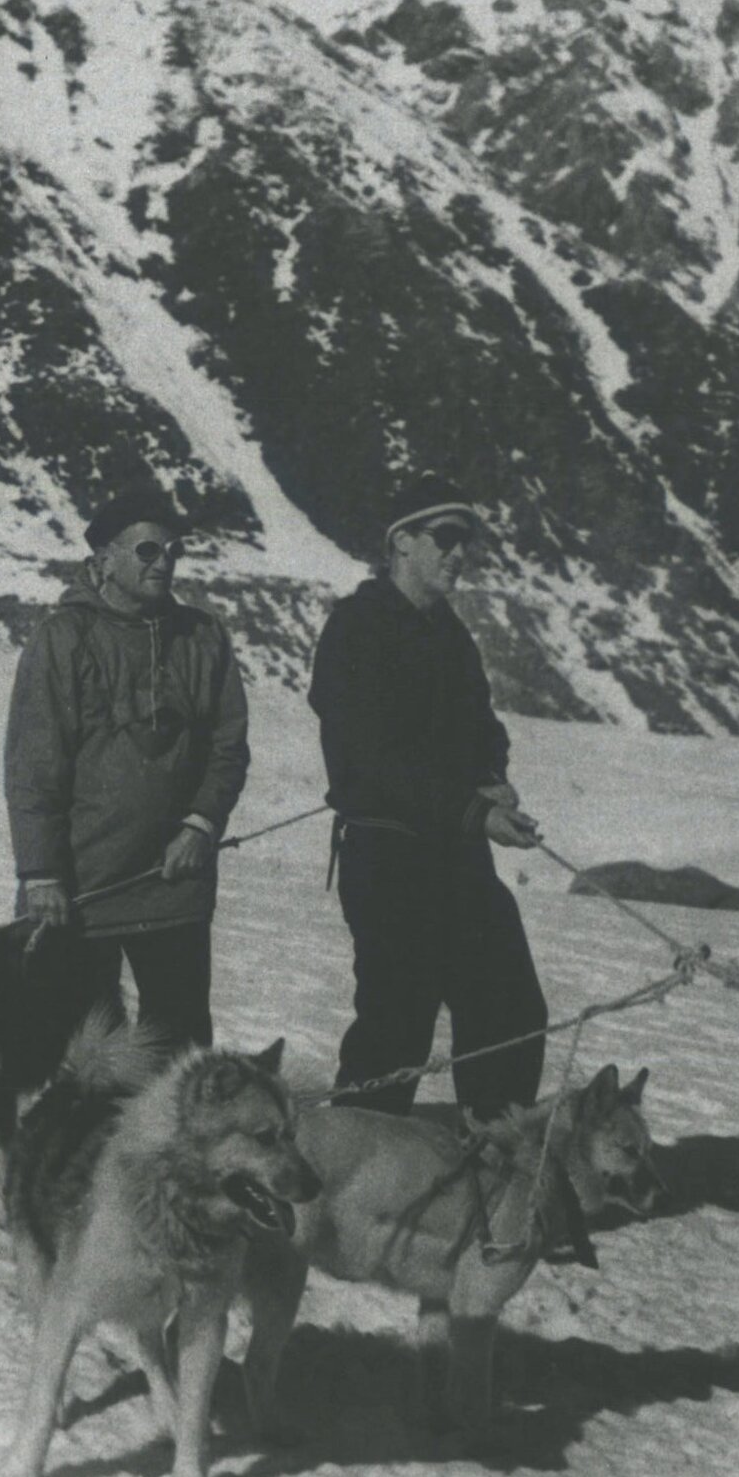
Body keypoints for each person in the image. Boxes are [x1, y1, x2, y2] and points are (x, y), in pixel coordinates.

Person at [309, 472, 547, 1119]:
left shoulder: (451, 636)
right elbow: (373, 761)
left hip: (458, 856)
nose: (459, 553)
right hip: (387, 856)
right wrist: (473, 809)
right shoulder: (355, 629)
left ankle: (491, 1154)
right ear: (402, 542)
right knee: (397, 1027)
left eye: (466, 541)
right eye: (445, 537)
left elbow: (483, 728)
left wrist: (491, 775)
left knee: (509, 1010)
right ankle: (356, 1165)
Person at [4, 477, 249, 1048]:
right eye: (147, 550)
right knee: (86, 1052)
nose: (164, 562)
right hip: (80, 890)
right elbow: (34, 764)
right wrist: (41, 874)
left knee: (179, 1050)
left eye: (172, 551)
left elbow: (228, 746)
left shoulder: (202, 638)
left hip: (174, 884)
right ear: (105, 559)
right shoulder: (63, 639)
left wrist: (201, 824)